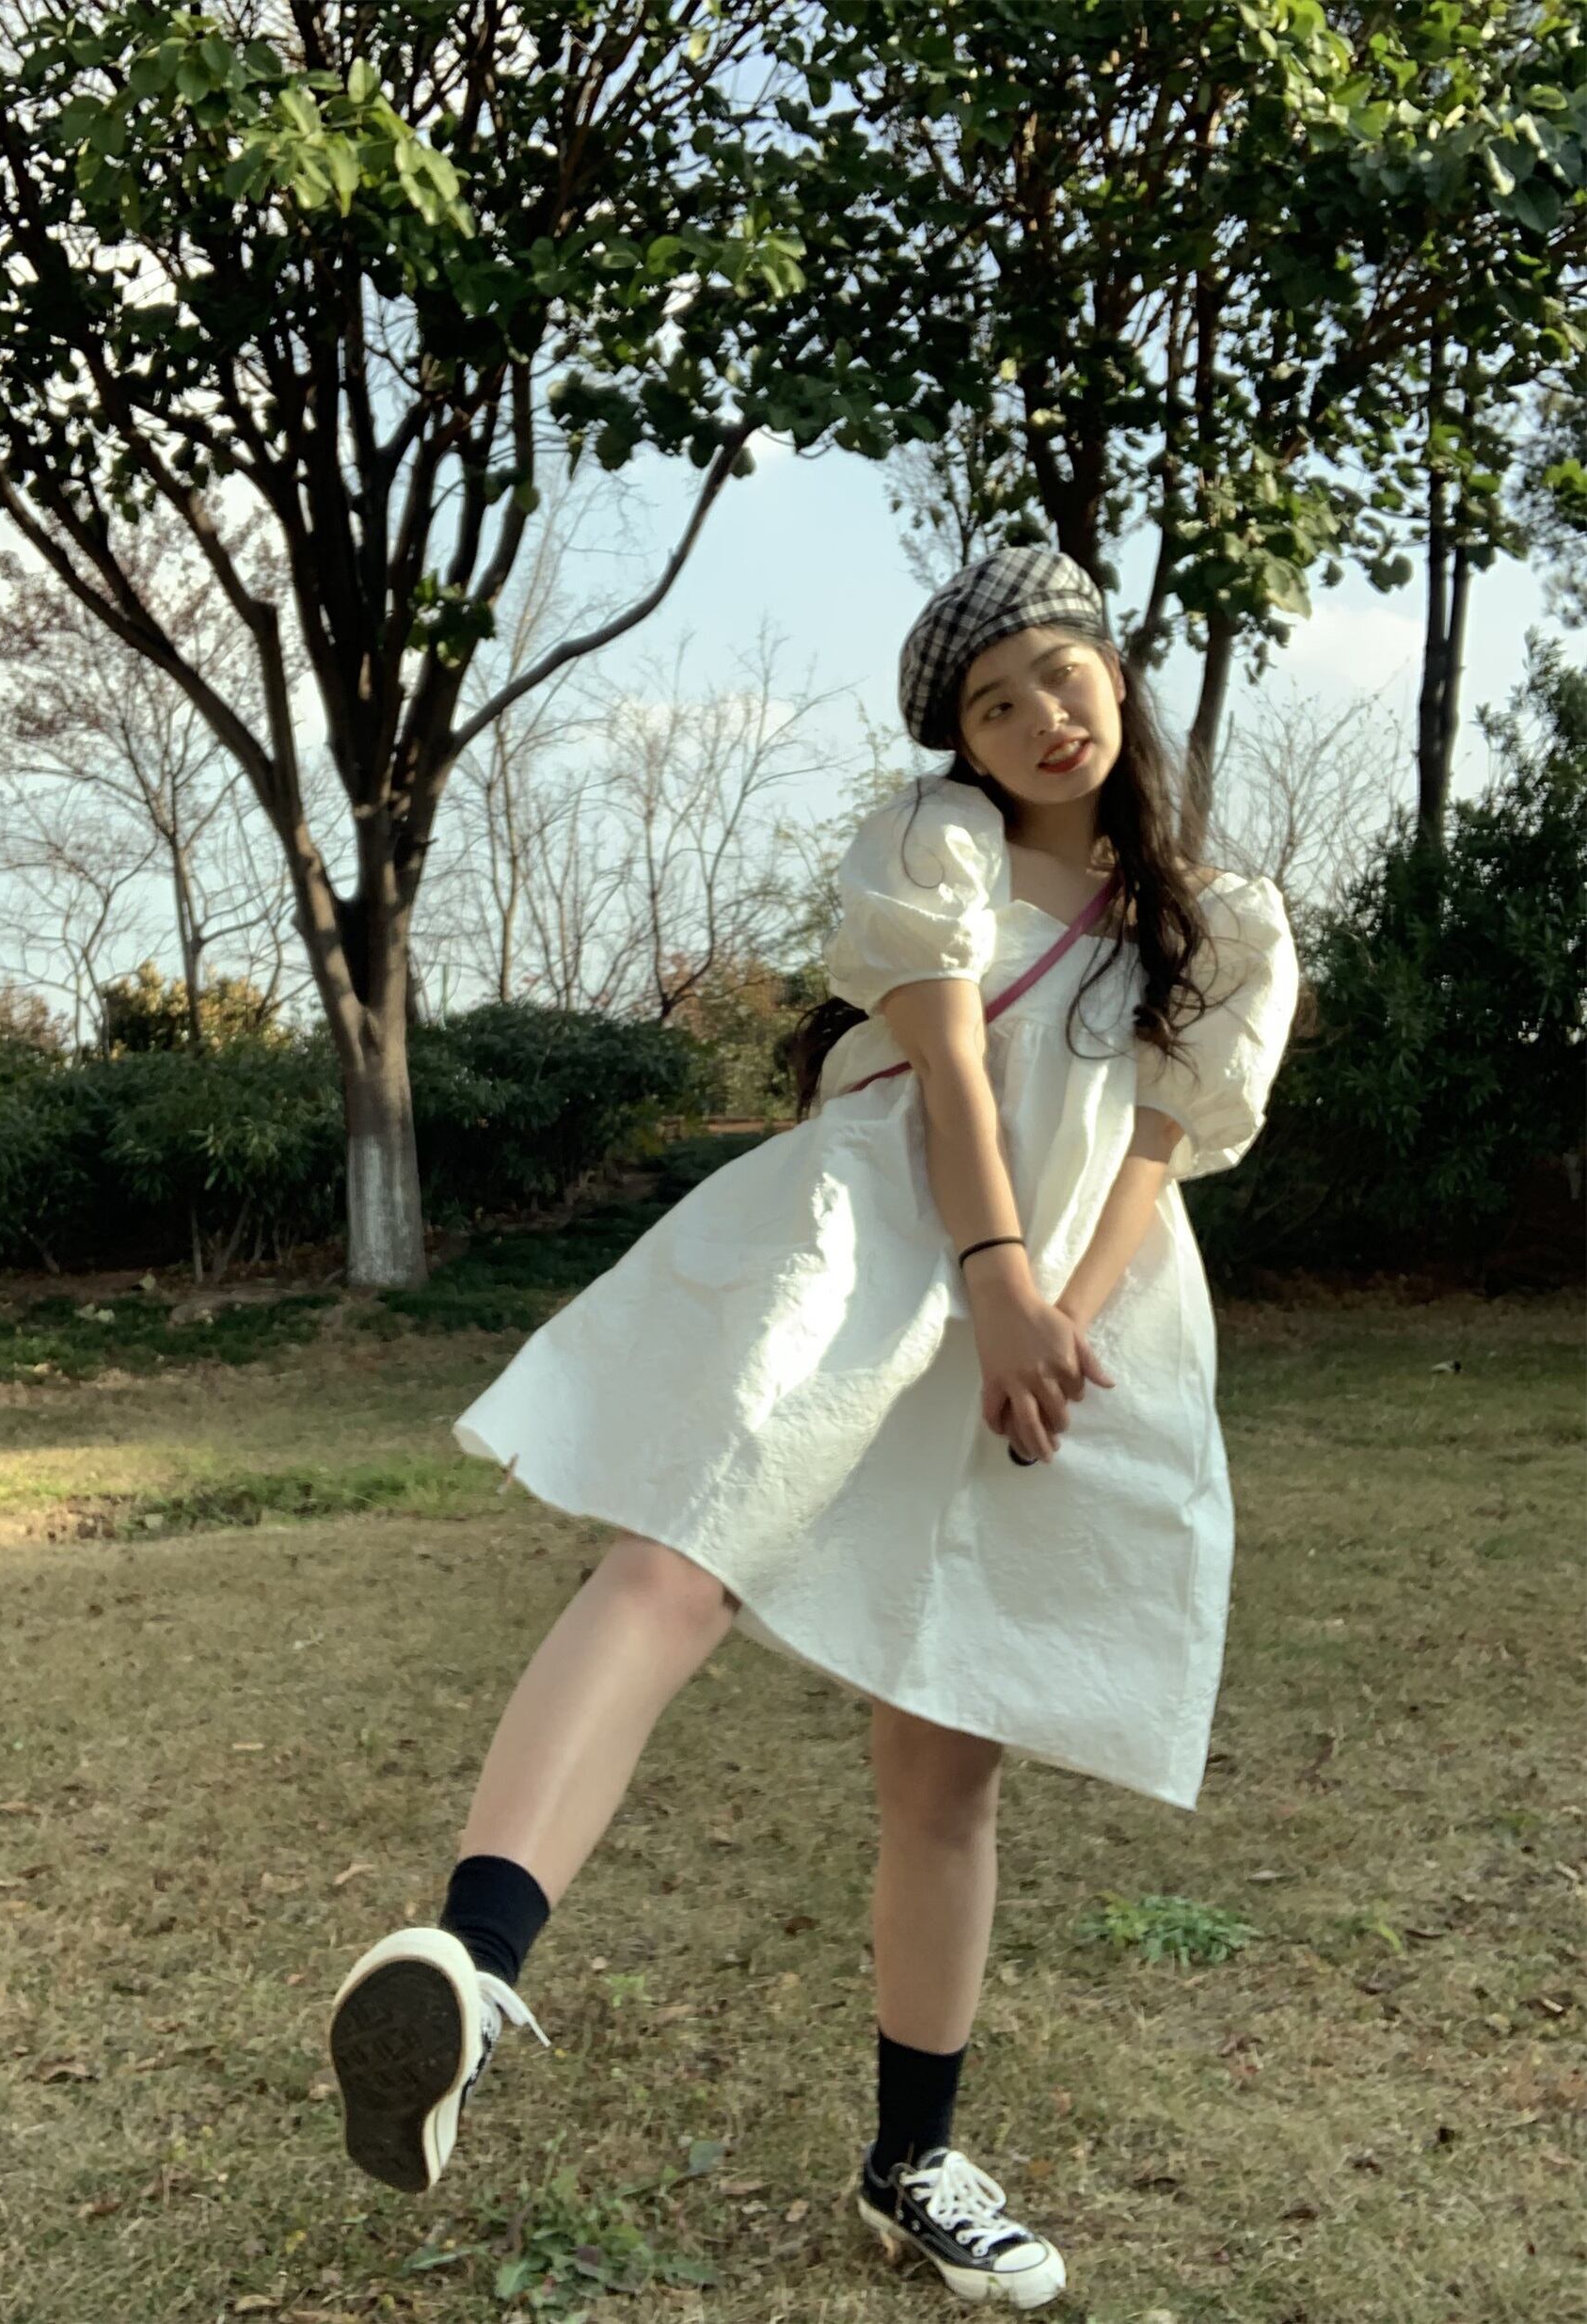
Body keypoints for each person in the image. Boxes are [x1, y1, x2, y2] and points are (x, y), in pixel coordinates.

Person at [326, 545, 1304, 2310]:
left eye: (1056, 672)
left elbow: (1152, 1163)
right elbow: (948, 1068)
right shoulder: (937, 843)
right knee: (676, 1560)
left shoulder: (1223, 926)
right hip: (875, 1246)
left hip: (1054, 1321)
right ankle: (468, 1961)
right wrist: (996, 1277)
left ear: (1116, 671)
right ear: (960, 743)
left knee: (948, 1758)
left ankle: (912, 2159)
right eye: (990, 703)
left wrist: (1058, 1332)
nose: (1037, 716)